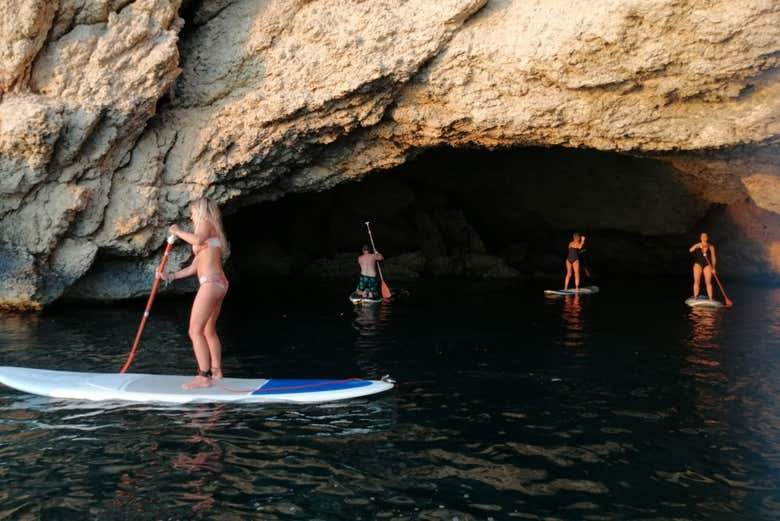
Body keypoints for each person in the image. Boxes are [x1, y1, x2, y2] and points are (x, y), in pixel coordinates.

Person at [158, 198, 228, 389]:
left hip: (211, 284)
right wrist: (169, 276)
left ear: (200, 211)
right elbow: (192, 268)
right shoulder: (211, 235)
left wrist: (177, 231)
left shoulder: (205, 224)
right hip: (219, 283)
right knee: (208, 330)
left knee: (194, 331)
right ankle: (216, 371)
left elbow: (196, 239)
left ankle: (204, 377)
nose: (191, 217)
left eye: (192, 212)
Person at [689, 232, 717, 300]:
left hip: (707, 265)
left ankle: (710, 299)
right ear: (700, 238)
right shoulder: (697, 245)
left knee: (708, 282)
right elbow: (690, 250)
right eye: (702, 236)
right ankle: (695, 297)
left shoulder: (711, 247)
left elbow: (713, 258)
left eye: (705, 236)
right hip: (698, 264)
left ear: (707, 238)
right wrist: (696, 246)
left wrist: (713, 268)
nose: (704, 238)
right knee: (697, 281)